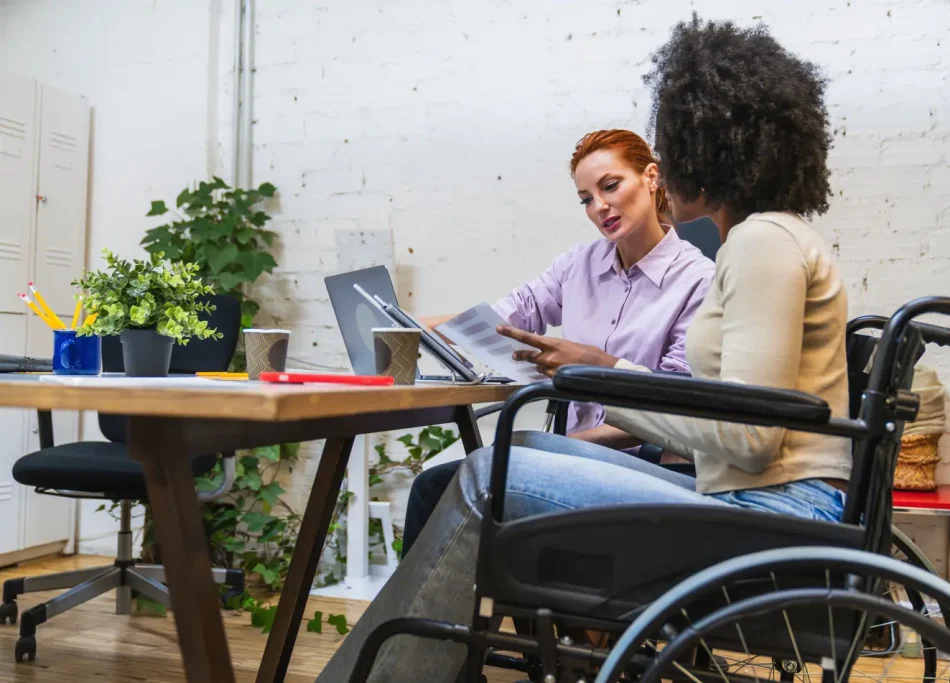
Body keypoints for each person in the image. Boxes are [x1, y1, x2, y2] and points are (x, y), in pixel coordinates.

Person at [318, 15, 848, 683]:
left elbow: (749, 437)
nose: (667, 164)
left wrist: (603, 374)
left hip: (766, 514)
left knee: (486, 472)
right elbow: (739, 420)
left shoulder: (761, 242)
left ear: (707, 149)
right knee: (507, 456)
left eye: (673, 149)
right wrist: (411, 324)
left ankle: (386, 676)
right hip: (746, 500)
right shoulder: (761, 238)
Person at [402, 129, 714, 556]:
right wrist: (411, 327)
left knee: (442, 487)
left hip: (640, 463)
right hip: (569, 454)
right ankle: (443, 621)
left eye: (610, 186)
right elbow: (503, 317)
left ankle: (427, 622)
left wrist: (556, 447)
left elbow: (672, 409)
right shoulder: (578, 265)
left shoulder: (698, 280)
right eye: (586, 198)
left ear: (651, 177)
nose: (599, 207)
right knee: (437, 487)